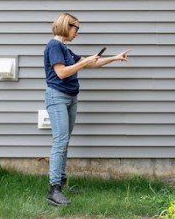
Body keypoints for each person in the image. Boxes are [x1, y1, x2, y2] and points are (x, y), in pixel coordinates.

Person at [44, 12, 130, 206]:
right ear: (67, 26)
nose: (77, 33)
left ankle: (61, 184)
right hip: (57, 97)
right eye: (76, 28)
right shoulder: (54, 46)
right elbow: (61, 72)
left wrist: (115, 58)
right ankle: (53, 190)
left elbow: (93, 63)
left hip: (70, 98)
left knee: (64, 142)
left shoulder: (65, 49)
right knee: (60, 142)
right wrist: (83, 62)